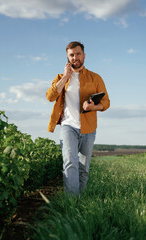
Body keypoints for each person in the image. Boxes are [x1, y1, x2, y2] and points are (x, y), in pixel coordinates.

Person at [46, 41, 110, 195]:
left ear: (84, 55)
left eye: (78, 54)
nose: (75, 57)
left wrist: (92, 107)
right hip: (68, 125)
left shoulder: (95, 78)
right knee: (69, 163)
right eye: (71, 55)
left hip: (88, 128)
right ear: (67, 57)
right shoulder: (61, 77)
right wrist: (66, 76)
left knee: (83, 168)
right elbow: (50, 96)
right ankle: (71, 202)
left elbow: (106, 103)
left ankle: (80, 201)